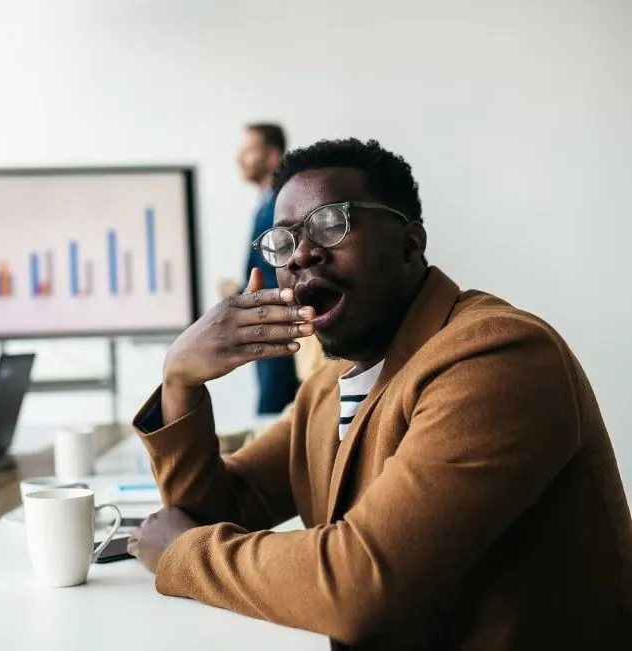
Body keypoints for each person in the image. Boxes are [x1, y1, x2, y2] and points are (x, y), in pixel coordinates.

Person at [127, 139, 632, 649]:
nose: (302, 253)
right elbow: (217, 509)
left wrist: (184, 555)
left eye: (331, 223)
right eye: (282, 240)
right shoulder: (329, 386)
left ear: (411, 242)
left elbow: (360, 584)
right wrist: (179, 380)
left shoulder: (497, 356)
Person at [218, 123, 300, 415]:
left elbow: (279, 274)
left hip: (278, 330)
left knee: (273, 415)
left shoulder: (278, 206)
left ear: (272, 157)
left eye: (249, 150)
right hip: (270, 329)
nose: (241, 159)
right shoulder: (266, 203)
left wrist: (237, 291)